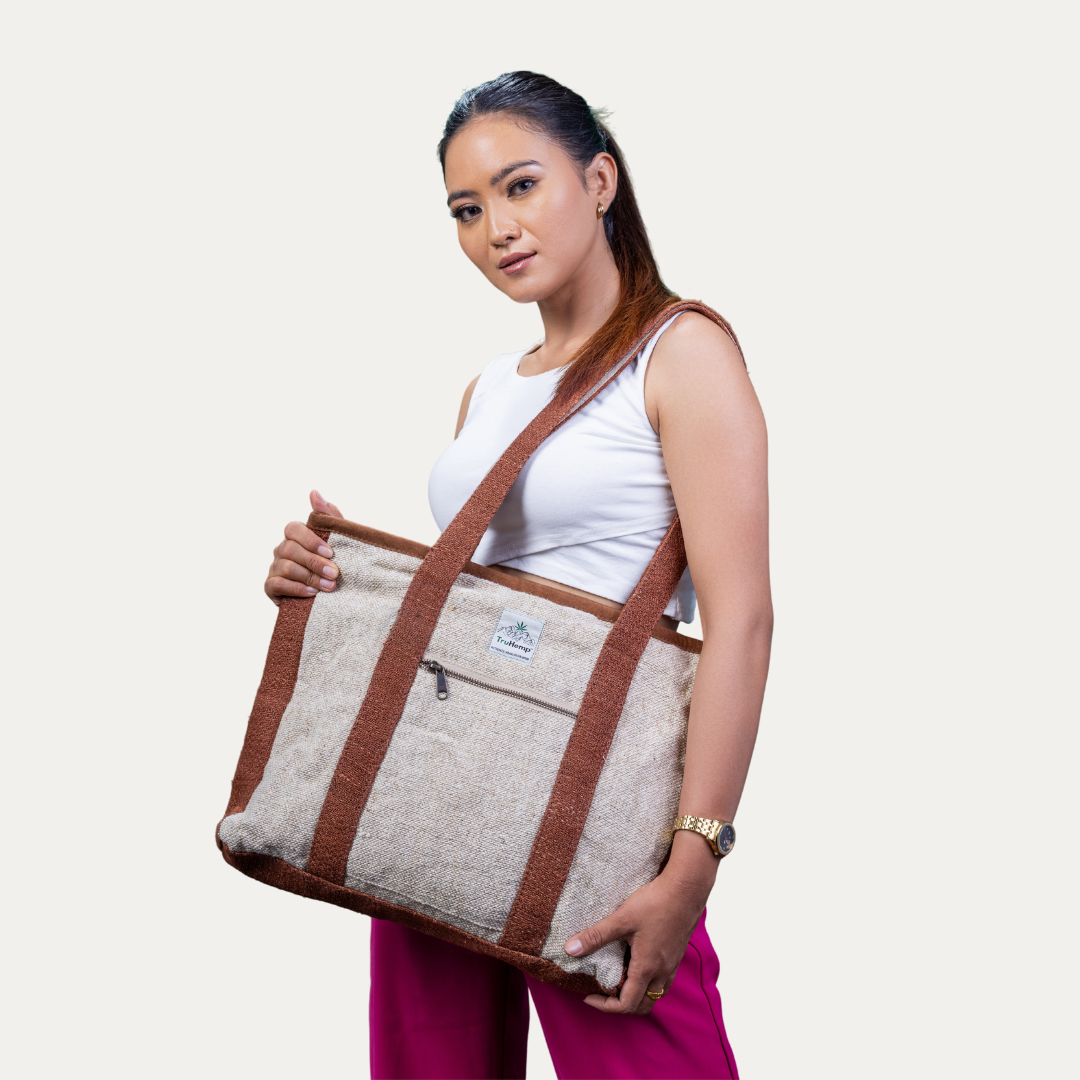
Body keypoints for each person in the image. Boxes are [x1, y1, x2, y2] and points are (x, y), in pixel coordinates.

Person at [263, 72, 771, 1080]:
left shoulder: (682, 354)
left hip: (599, 819)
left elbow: (743, 620)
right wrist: (322, 581)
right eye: (466, 209)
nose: (496, 227)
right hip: (441, 787)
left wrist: (694, 861)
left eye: (521, 186)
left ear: (600, 179)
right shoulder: (490, 387)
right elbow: (477, 611)